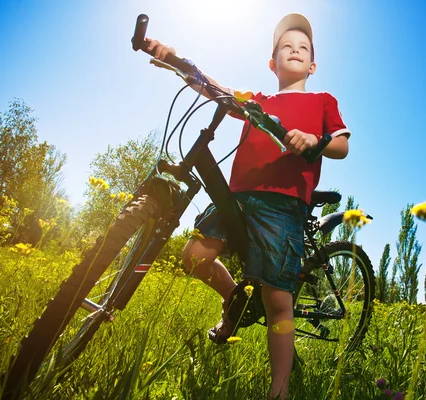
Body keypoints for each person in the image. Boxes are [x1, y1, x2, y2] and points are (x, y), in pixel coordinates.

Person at [145, 13, 350, 399]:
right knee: (193, 256)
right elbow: (216, 89)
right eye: (285, 46)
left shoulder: (323, 101)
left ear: (312, 64)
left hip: (283, 204)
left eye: (302, 47)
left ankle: (280, 389)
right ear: (272, 63)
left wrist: (314, 139)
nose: (294, 49)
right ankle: (234, 299)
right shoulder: (258, 101)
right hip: (238, 198)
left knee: (277, 299)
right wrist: (174, 60)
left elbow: (341, 145)